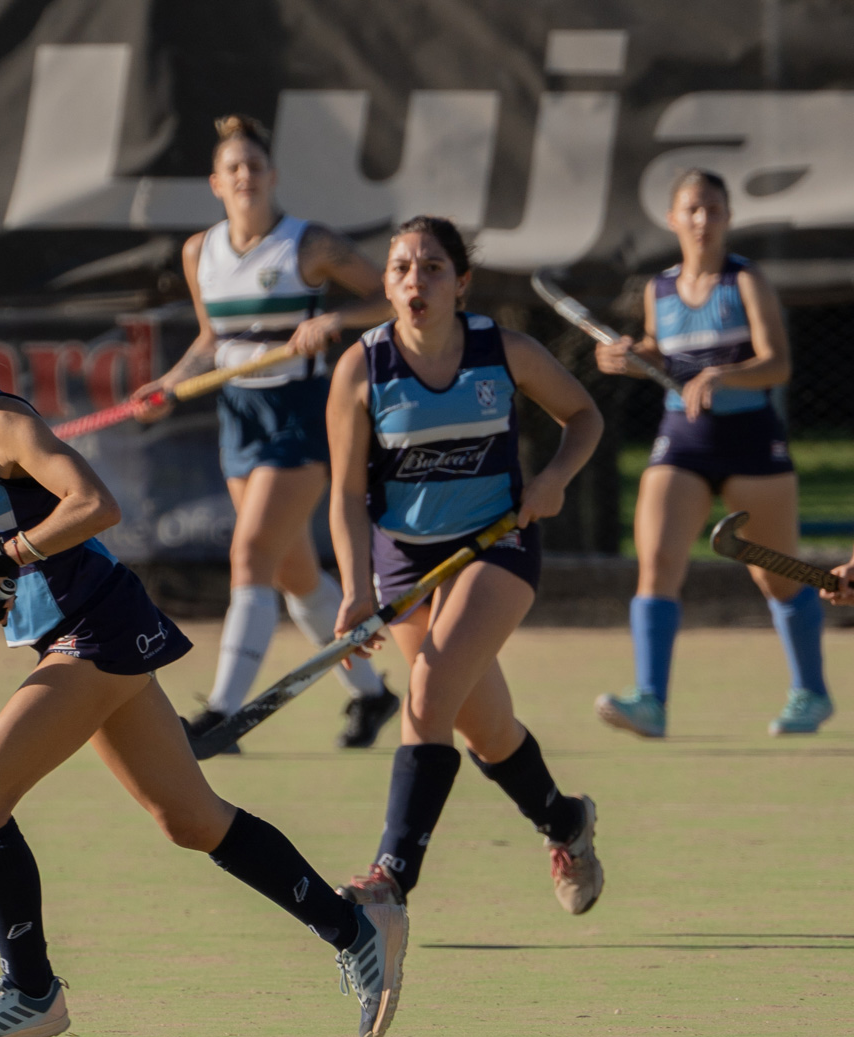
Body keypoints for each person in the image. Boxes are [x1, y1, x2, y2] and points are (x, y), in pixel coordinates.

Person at [0, 238, 408, 1037]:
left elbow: (94, 503)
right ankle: (356, 929)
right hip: (66, 636)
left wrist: (14, 553)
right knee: (190, 817)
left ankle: (31, 989)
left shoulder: (2, 423)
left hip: (95, 626)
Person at [326, 216, 606, 915]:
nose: (414, 280)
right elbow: (344, 493)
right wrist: (357, 589)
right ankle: (565, 820)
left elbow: (584, 416)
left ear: (461, 283)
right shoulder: (362, 367)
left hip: (496, 542)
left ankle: (391, 877)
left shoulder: (501, 351)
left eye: (431, 268)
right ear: (387, 284)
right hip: (404, 564)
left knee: (427, 691)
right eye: (400, 268)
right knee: (485, 727)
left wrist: (556, 479)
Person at [135, 114, 399, 751]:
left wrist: (333, 319)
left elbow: (390, 298)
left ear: (273, 176)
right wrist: (168, 384)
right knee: (293, 574)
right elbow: (210, 340)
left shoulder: (311, 246)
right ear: (216, 183)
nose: (245, 177)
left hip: (301, 413)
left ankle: (224, 714)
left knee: (249, 553)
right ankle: (372, 695)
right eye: (233, 169)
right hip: (239, 418)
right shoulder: (201, 252)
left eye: (255, 167)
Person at [594, 169, 827, 737]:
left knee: (777, 577)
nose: (702, 220)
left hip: (751, 442)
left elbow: (778, 364)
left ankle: (811, 693)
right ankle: (650, 700)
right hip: (684, 440)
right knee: (658, 565)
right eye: (691, 210)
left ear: (727, 218)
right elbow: (661, 351)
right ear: (673, 218)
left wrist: (723, 375)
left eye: (713, 210)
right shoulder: (660, 289)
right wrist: (627, 354)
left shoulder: (746, 282)